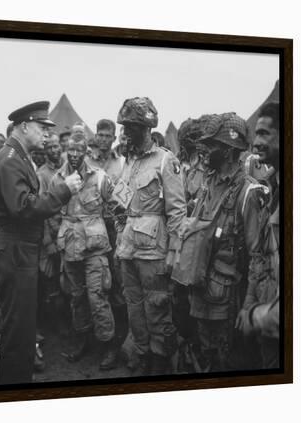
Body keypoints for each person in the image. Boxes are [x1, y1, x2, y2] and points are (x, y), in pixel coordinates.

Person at [0, 101, 82, 385]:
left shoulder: (17, 156)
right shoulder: (9, 160)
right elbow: (24, 207)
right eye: (42, 128)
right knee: (18, 330)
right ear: (24, 126)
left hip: (21, 249)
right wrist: (64, 191)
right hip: (16, 250)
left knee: (24, 328)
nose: (47, 135)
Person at [187, 113, 268, 372]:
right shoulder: (209, 183)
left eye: (212, 145)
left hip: (228, 300)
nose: (205, 150)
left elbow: (258, 258)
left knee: (228, 362)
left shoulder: (249, 193)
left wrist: (248, 307)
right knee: (207, 356)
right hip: (201, 289)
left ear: (230, 150)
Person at [114, 97, 186, 376]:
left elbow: (177, 211)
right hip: (129, 247)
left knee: (157, 306)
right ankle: (142, 353)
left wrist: (174, 252)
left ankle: (160, 358)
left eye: (130, 126)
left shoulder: (167, 160)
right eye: (124, 126)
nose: (125, 131)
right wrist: (120, 239)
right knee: (134, 307)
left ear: (145, 128)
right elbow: (124, 204)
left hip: (155, 250)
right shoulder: (129, 161)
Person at [51, 133, 122, 370]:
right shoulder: (57, 179)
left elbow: (122, 204)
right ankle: (82, 339)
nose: (73, 155)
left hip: (95, 247)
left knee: (98, 296)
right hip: (70, 246)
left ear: (86, 152)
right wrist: (56, 238)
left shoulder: (100, 176)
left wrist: (121, 234)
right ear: (65, 151)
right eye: (69, 151)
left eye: (78, 151)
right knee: (77, 296)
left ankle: (108, 344)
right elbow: (50, 211)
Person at [237, 101, 281, 368]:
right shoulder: (270, 188)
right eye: (256, 133)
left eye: (264, 133)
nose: (256, 142)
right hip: (268, 304)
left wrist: (256, 317)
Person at [86, 119, 128, 344]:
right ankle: (98, 335)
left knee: (118, 278)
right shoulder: (85, 161)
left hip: (114, 228)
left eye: (107, 135)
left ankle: (120, 334)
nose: (103, 139)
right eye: (99, 135)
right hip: (91, 230)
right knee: (98, 283)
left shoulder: (120, 163)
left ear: (114, 139)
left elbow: (124, 199)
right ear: (95, 136)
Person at [36, 134, 65, 333]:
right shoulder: (41, 174)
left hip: (70, 231)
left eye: (57, 146)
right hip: (53, 233)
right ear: (45, 150)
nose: (54, 150)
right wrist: (47, 241)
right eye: (50, 147)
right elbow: (41, 210)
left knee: (69, 278)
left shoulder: (69, 168)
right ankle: (57, 324)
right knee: (52, 281)